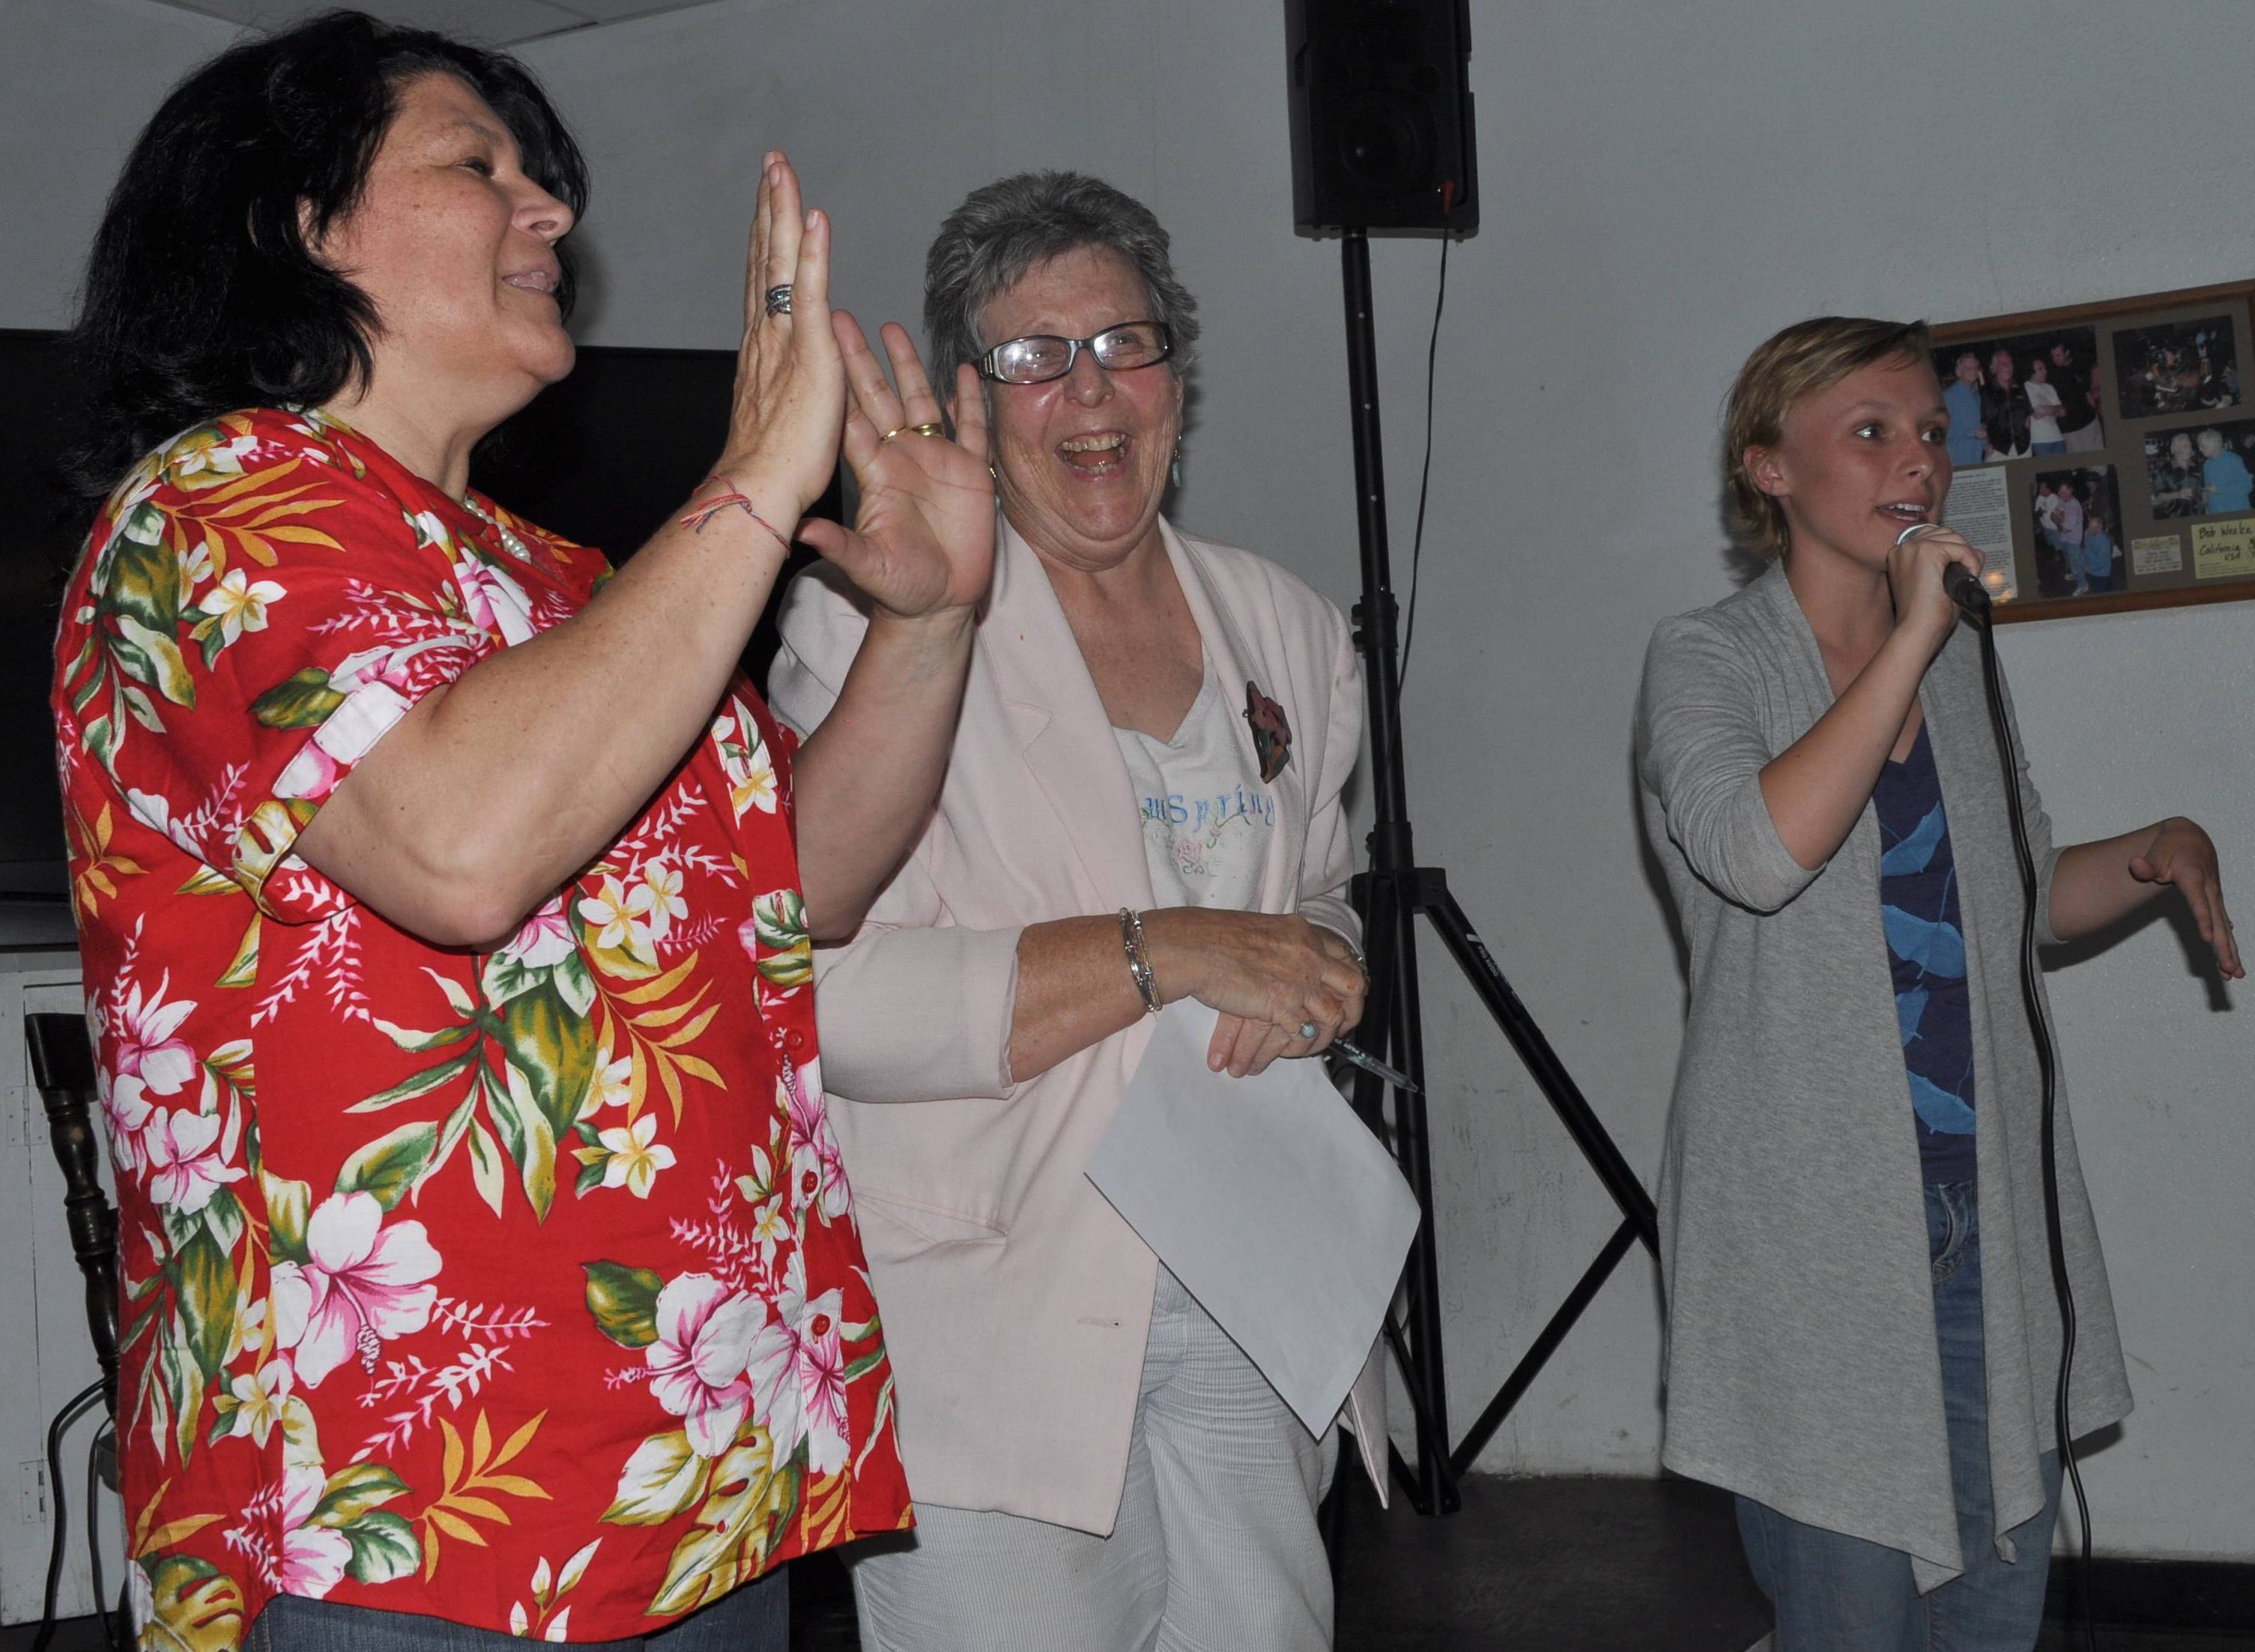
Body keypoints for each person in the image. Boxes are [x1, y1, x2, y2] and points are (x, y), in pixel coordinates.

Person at [52, 14, 999, 1650]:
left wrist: (928, 624)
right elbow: (460, 851)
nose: (549, 207)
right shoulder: (211, 511)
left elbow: (805, 881)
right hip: (396, 1506)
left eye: (537, 175)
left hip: (692, 1473)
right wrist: (756, 479)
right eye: (476, 164)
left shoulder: (563, 580)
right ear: (300, 221)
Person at [769, 170, 1381, 1652]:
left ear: (1179, 372)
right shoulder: (868, 627)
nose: (1090, 392)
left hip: (1250, 1265)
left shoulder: (1286, 625)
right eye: (1034, 357)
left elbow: (1313, 893)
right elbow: (818, 993)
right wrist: (1165, 952)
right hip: (996, 1293)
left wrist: (1322, 967)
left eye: (1125, 343)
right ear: (969, 401)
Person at [1635, 315, 2241, 1651]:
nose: (1917, 461)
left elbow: (2021, 900)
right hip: (1815, 1228)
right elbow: (1758, 853)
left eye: (1929, 433)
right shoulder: (1708, 657)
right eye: (1870, 432)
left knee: (1986, 1612)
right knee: (1850, 1620)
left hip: (1981, 1209)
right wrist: (1909, 640)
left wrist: (2151, 852)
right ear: (1768, 469)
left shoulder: (1953, 664)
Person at [1979, 346, 2031, 460]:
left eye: (2010, 363)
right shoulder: (1985, 392)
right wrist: (1985, 445)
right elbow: (1982, 422)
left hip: (2024, 448)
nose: (2008, 366)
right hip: (1997, 451)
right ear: (1994, 368)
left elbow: (2028, 416)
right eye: (2003, 363)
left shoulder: (2020, 388)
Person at [1941, 352, 1987, 468]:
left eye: (1976, 368)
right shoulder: (1948, 397)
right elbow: (1944, 432)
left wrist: (1985, 444)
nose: (1973, 371)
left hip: (1978, 457)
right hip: (1958, 459)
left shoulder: (1977, 396)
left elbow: (1979, 425)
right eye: (1968, 368)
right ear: (1958, 372)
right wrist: (1972, 433)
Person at [2197, 426, 2253, 513]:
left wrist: (2220, 489)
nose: (2200, 449)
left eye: (2202, 445)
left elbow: (2247, 486)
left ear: (2213, 443)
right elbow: (2209, 490)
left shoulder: (2233, 460)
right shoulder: (2207, 464)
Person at [2151, 430, 2203, 516]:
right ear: (2176, 449)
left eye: (2190, 446)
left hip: (2199, 514)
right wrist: (2178, 494)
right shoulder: (2164, 471)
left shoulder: (2197, 467)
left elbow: (2202, 489)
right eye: (2186, 446)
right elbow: (2158, 497)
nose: (2190, 449)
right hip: (2177, 516)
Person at [2023, 356, 2066, 454]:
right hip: (2040, 441)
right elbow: (2041, 410)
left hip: (2058, 437)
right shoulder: (2027, 386)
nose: (2045, 371)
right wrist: (2057, 408)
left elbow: (2063, 412)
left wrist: (2049, 410)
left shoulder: (2049, 387)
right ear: (2031, 372)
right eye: (2040, 369)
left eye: (2045, 368)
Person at [2080, 506, 2119, 593]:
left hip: (2101, 574)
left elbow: (2102, 562)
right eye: (2089, 526)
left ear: (2099, 528)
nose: (2089, 529)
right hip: (2089, 568)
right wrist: (2082, 562)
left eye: (2092, 528)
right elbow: (2086, 548)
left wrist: (2089, 569)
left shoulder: (2105, 541)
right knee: (2094, 588)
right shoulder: (2087, 532)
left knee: (2102, 591)